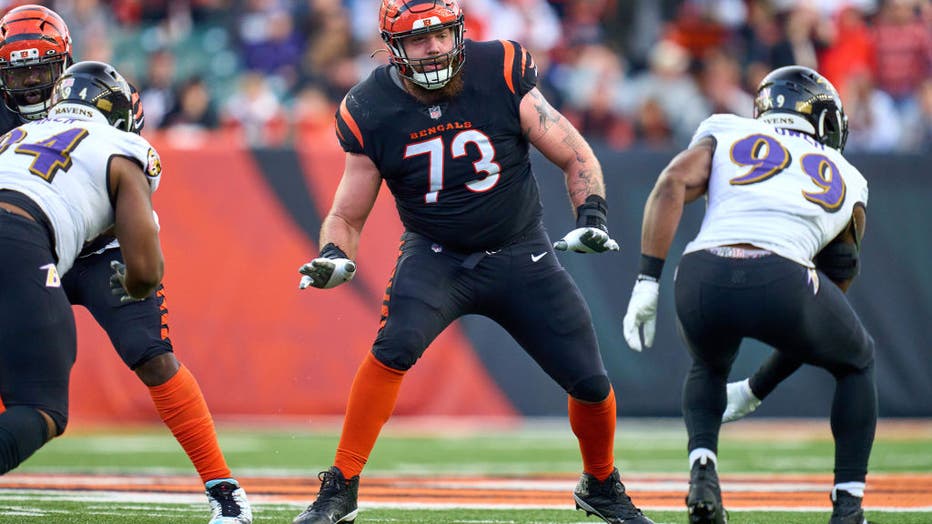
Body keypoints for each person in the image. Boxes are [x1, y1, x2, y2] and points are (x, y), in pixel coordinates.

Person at [293, 0, 653, 523]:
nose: (434, 47)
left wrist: (592, 215)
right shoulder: (369, 107)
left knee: (591, 382)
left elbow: (576, 154)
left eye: (441, 33)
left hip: (520, 250)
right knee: (392, 350)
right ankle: (340, 488)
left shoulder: (500, 69)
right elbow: (346, 216)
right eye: (418, 39)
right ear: (394, 48)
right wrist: (331, 254)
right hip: (436, 256)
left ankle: (600, 483)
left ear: (459, 30)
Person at [0, 6, 252, 524]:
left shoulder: (94, 142)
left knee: (150, 353)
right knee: (41, 395)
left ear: (64, 71)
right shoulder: (121, 145)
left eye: (41, 71)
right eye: (17, 71)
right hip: (34, 237)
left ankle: (223, 486)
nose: (29, 85)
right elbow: (147, 262)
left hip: (84, 247)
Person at [622, 65, 876, 524]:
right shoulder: (849, 178)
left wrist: (647, 280)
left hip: (702, 272)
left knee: (707, 365)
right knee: (856, 360)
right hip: (782, 277)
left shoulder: (726, 129)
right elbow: (833, 291)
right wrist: (760, 387)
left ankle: (702, 470)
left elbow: (672, 181)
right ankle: (848, 506)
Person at [0, 59, 161, 478]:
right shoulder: (123, 148)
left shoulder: (17, 132)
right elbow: (145, 271)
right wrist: (133, 283)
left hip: (17, 229)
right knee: (42, 405)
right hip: (17, 236)